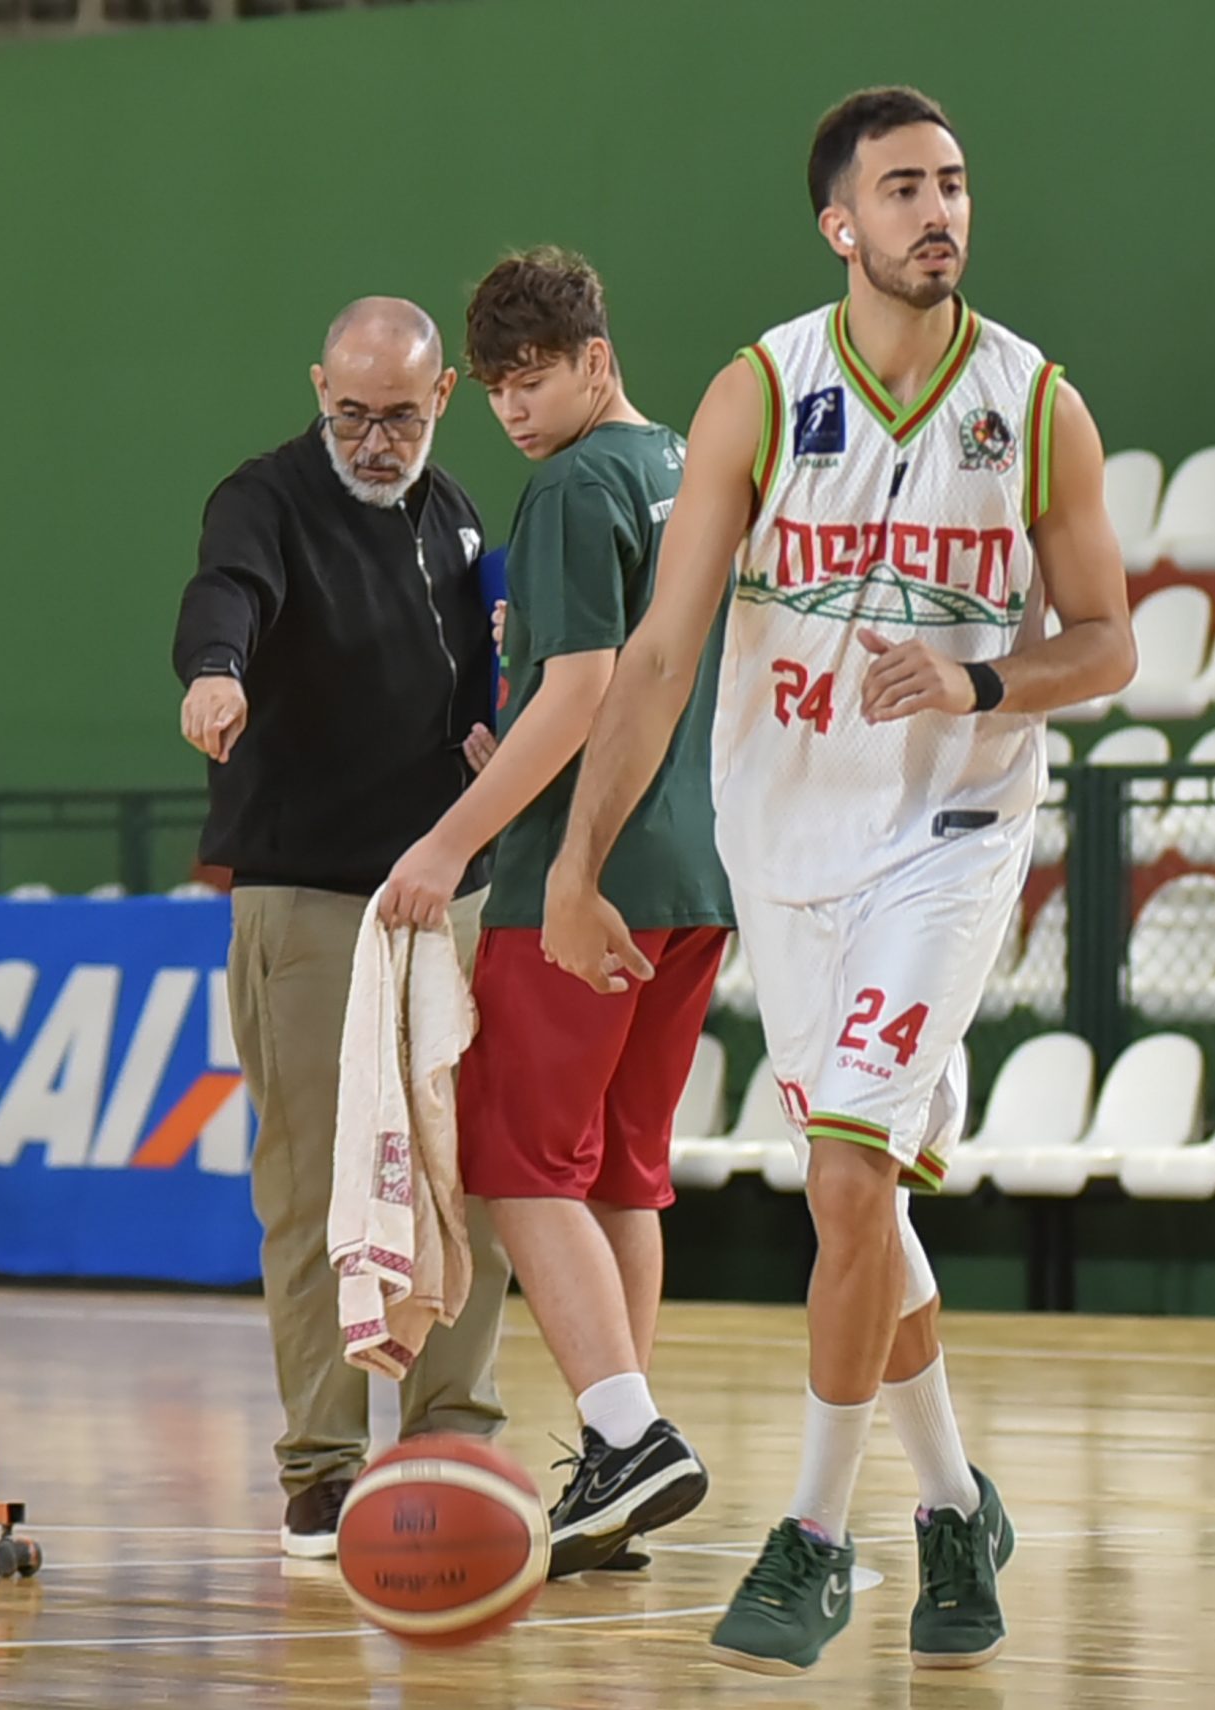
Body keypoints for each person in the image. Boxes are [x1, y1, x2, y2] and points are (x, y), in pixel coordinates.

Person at [537, 87, 1136, 1676]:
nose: (940, 211)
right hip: (783, 840)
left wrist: (983, 682)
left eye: (954, 184)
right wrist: (578, 863)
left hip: (950, 828)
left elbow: (1107, 642)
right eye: (905, 188)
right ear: (839, 223)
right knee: (859, 1199)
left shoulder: (1037, 405)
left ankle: (814, 1532)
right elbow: (660, 654)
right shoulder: (760, 392)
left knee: (852, 1177)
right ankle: (954, 1502)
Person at [376, 248, 732, 1579]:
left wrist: (451, 837)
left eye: (535, 378)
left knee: (516, 1163)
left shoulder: (577, 484)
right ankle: (615, 1463)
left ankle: (628, 1434)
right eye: (497, 388)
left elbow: (582, 688)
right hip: (697, 871)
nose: (515, 409)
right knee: (622, 1171)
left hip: (580, 880)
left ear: (597, 357)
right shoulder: (685, 463)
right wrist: (515, 739)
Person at [170, 297, 513, 1559]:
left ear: (445, 398)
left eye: (402, 417)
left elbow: (484, 670)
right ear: (319, 387)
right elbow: (226, 594)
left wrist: (491, 728)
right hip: (310, 895)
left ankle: (453, 1434)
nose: (375, 441)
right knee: (316, 1182)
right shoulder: (262, 499)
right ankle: (321, 1466)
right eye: (352, 413)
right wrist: (216, 670)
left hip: (450, 890)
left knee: (468, 1174)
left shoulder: (457, 513)